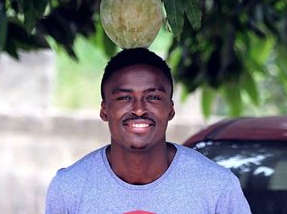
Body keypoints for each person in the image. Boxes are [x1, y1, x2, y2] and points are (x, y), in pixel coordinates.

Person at [45, 48, 251, 214]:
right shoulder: (68, 188)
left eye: (152, 97)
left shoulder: (217, 187)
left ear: (170, 109)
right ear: (104, 110)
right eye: (124, 98)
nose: (139, 109)